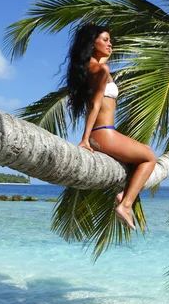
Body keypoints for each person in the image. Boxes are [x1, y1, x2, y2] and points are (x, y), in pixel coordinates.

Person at [66, 23, 157, 230]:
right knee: (150, 157)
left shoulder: (91, 67)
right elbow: (95, 105)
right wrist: (85, 139)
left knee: (143, 155)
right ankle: (125, 204)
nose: (110, 43)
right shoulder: (101, 70)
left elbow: (101, 63)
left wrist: (105, 51)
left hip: (103, 133)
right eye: (105, 40)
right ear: (93, 43)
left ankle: (125, 193)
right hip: (104, 134)